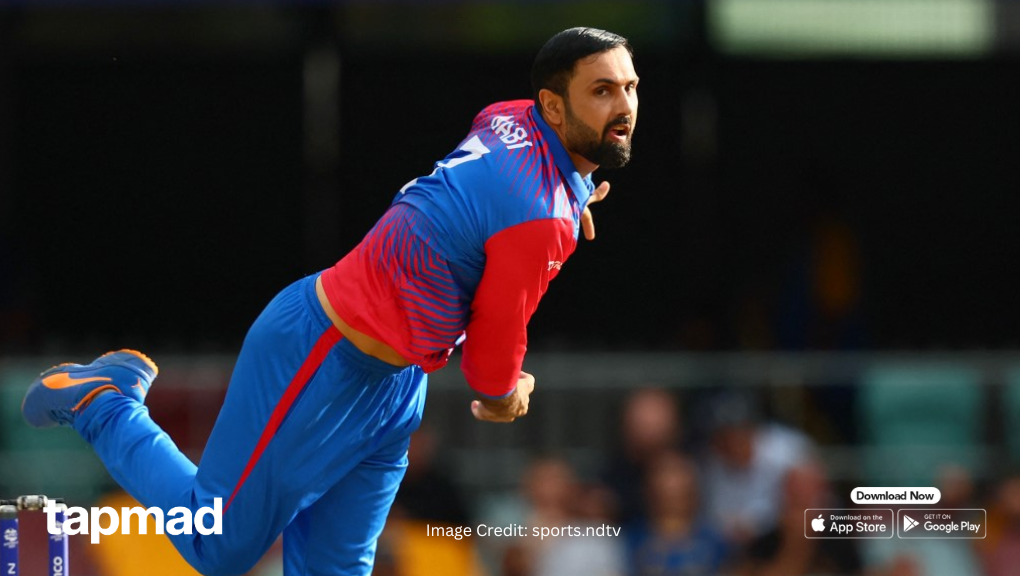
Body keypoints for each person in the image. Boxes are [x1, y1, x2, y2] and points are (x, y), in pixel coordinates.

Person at [20, 27, 639, 576]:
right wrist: (508, 396)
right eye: (603, 91)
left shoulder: (509, 118)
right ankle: (105, 404)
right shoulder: (540, 218)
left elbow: (495, 197)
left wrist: (572, 190)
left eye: (631, 88)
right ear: (553, 106)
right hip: (322, 352)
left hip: (396, 386)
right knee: (217, 545)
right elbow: (490, 364)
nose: (625, 106)